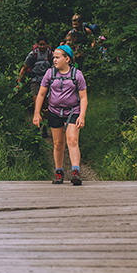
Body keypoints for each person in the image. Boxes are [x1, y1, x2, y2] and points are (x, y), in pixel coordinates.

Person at [32, 44, 88, 185]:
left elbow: (83, 98)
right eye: (54, 57)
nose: (54, 60)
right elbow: (41, 94)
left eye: (57, 57)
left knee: (72, 140)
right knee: (58, 144)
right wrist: (37, 113)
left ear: (67, 59)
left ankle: (75, 171)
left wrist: (82, 116)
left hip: (73, 111)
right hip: (55, 111)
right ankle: (59, 171)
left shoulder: (77, 75)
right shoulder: (50, 74)